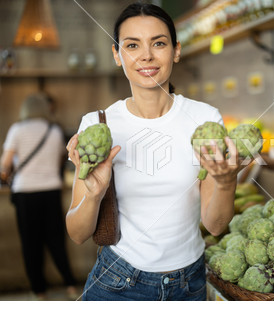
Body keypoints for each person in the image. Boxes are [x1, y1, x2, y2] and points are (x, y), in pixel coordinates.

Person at [65, 3, 246, 301]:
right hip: (117, 283)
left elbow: (215, 225)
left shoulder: (205, 119)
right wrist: (94, 194)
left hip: (190, 283)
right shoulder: (98, 125)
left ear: (175, 51)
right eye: (132, 45)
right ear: (117, 55)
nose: (146, 55)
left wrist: (227, 182)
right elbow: (77, 233)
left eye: (158, 43)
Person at [1, 93, 78, 301]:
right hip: (51, 190)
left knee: (31, 243)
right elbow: (61, 160)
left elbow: (4, 166)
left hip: (25, 192)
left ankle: (39, 291)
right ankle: (71, 285)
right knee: (56, 240)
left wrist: (9, 172)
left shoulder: (16, 130)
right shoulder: (55, 131)